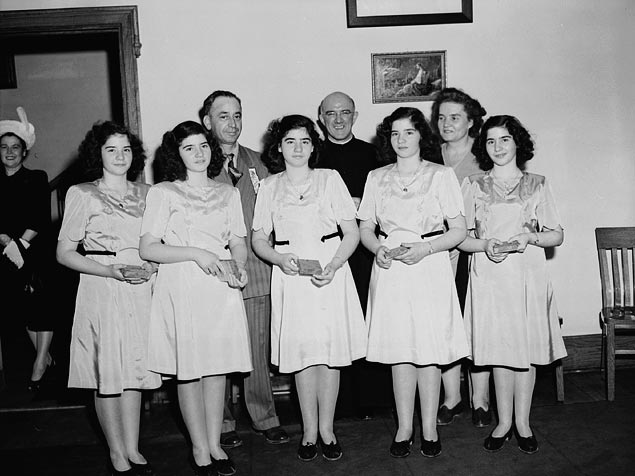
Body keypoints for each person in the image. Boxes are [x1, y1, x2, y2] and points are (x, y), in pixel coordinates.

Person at [251, 114, 367, 462]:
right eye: (290, 141)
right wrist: (277, 258)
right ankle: (309, 431)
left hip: (331, 270)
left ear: (313, 145)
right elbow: (258, 238)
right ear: (279, 147)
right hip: (291, 274)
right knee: (304, 356)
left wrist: (333, 265)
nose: (298, 148)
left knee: (329, 354)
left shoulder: (330, 179)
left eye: (304, 141)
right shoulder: (269, 186)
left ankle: (328, 430)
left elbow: (352, 232)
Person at [139, 121, 251, 476]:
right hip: (183, 283)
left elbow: (237, 240)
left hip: (219, 286)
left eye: (203, 146)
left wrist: (241, 267)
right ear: (177, 154)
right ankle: (200, 449)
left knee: (216, 367)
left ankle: (216, 443)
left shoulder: (227, 193)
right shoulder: (164, 192)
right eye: (189, 148)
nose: (199, 153)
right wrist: (197, 254)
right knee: (190, 370)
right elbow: (148, 248)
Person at [358, 107, 468, 459]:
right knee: (400, 352)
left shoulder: (442, 175)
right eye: (394, 133)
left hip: (429, 266)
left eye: (408, 132)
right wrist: (378, 249)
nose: (401, 140)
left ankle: (430, 428)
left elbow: (459, 231)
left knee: (429, 351)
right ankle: (405, 427)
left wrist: (426, 248)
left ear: (422, 135)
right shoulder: (376, 177)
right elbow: (365, 227)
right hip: (391, 272)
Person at [56, 121, 161, 475]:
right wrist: (107, 271)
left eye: (126, 149)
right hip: (101, 286)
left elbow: (158, 246)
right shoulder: (82, 193)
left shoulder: (149, 193)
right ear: (97, 154)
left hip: (140, 288)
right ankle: (116, 450)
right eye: (111, 149)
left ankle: (132, 446)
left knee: (135, 367)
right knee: (107, 371)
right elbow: (65, 253)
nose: (120, 156)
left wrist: (153, 269)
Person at [459, 115, 566, 455]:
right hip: (489, 277)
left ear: (517, 142)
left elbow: (557, 234)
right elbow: (461, 238)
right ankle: (503, 422)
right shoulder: (473, 184)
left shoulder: (538, 183)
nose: (498, 147)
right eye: (491, 141)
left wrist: (529, 237)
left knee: (526, 350)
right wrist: (485, 245)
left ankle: (522, 422)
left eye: (504, 139)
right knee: (498, 350)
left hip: (527, 275)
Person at [199, 90, 289, 447]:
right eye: (223, 116)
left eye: (237, 115)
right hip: (214, 273)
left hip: (256, 271)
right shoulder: (196, 160)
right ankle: (221, 422)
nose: (232, 123)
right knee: (216, 348)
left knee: (256, 350)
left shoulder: (258, 162)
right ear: (208, 122)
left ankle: (264, 416)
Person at [316, 91, 389, 420]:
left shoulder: (373, 154)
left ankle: (373, 398)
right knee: (335, 323)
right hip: (330, 250)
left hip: (368, 251)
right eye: (331, 113)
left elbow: (383, 204)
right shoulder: (313, 155)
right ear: (321, 117)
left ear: (355, 116)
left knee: (370, 319)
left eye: (345, 112)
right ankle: (339, 403)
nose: (339, 119)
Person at [430, 87, 492, 428]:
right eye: (441, 117)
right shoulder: (429, 154)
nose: (447, 123)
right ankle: (451, 397)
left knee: (476, 322)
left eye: (455, 117)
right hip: (439, 253)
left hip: (478, 251)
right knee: (445, 323)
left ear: (471, 121)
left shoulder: (485, 155)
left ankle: (480, 400)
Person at [0, 107, 54, 392]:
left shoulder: (36, 178)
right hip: (3, 252)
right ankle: (43, 360)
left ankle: (41, 361)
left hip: (31, 248)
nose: (10, 152)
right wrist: (5, 242)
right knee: (16, 311)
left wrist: (18, 244)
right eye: (4, 147)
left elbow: (39, 218)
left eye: (15, 148)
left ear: (24, 152)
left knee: (39, 307)